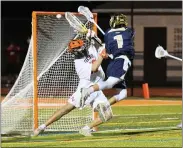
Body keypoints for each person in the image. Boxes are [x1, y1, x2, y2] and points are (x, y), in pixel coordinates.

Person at [33, 34, 113, 137]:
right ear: (77, 51)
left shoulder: (90, 49)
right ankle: (42, 127)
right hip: (85, 90)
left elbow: (99, 44)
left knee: (107, 114)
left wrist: (92, 36)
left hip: (97, 90)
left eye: (82, 45)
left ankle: (86, 128)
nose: (83, 47)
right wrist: (102, 55)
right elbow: (94, 67)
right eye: (80, 47)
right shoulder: (78, 63)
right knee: (66, 109)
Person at [80, 13, 135, 108]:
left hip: (113, 63)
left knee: (123, 93)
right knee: (109, 83)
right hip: (121, 61)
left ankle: (105, 106)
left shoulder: (108, 34)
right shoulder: (129, 31)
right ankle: (88, 90)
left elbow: (108, 50)